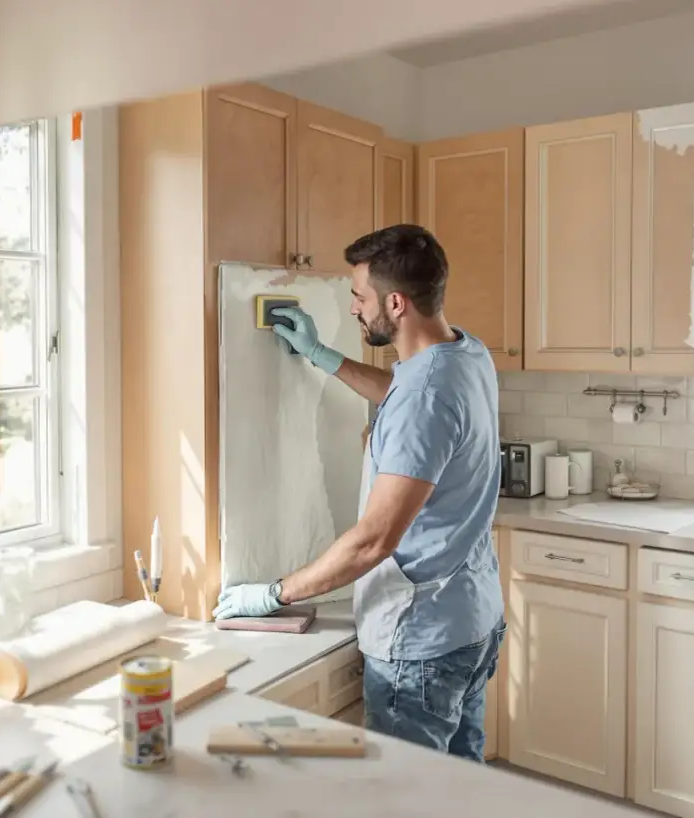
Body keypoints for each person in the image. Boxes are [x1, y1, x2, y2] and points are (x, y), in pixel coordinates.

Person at [212, 224, 505, 761]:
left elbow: (373, 541)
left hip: (422, 641)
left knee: (401, 801)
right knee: (461, 791)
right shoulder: (465, 353)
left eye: (358, 297)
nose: (352, 308)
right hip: (473, 620)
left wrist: (275, 594)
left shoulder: (427, 396)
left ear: (395, 303)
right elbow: (405, 395)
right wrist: (321, 355)